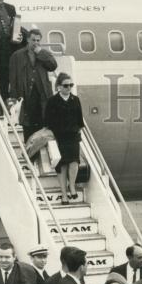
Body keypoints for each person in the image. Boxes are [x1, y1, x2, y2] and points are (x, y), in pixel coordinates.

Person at [44, 73, 85, 204]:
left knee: (74, 162)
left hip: (73, 136)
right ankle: (64, 194)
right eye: (66, 85)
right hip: (59, 137)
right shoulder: (52, 101)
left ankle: (71, 186)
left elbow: (79, 119)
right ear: (59, 87)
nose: (69, 88)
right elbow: (48, 120)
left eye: (71, 85)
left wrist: (78, 131)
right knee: (62, 165)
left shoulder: (75, 99)